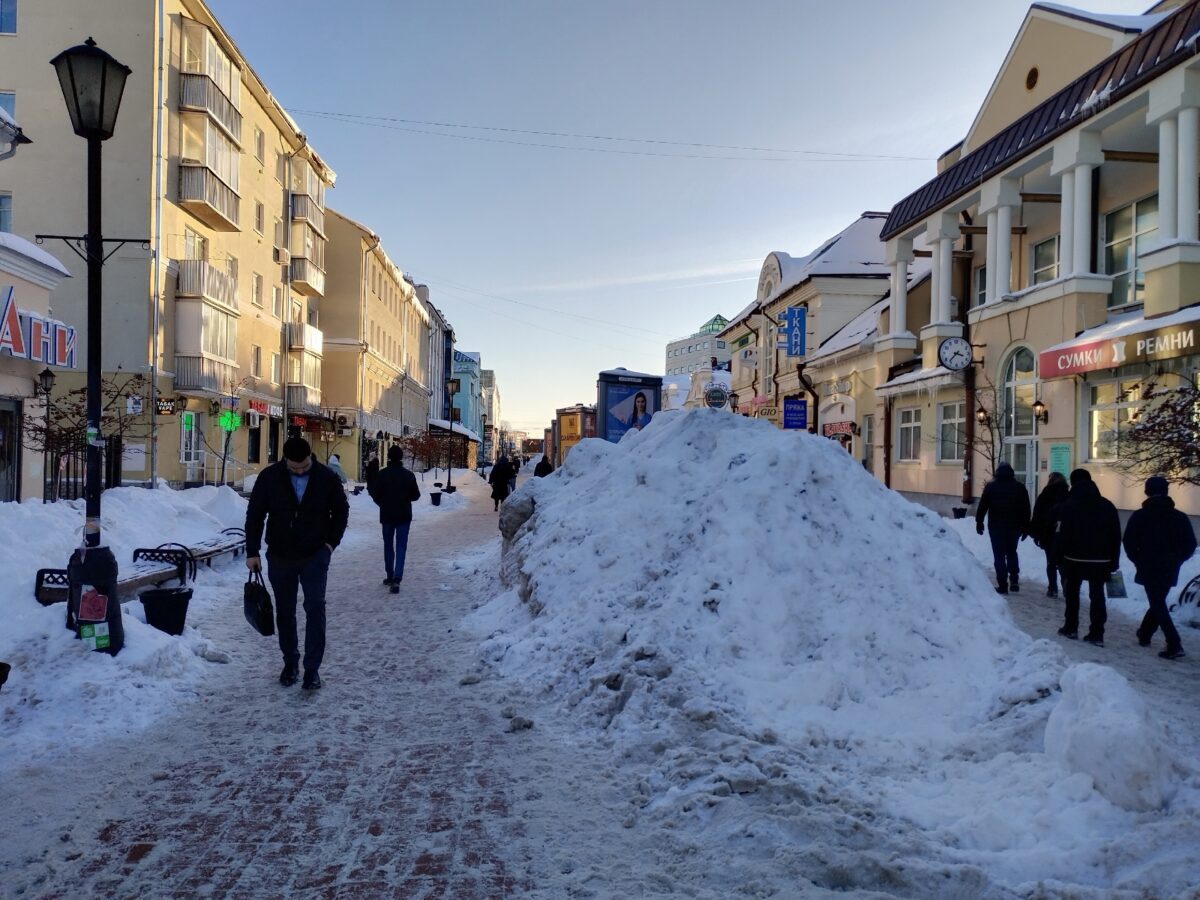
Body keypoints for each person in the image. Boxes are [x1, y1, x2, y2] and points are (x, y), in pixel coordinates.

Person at [245, 436, 349, 691]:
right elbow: (255, 515)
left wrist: (330, 545)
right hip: (280, 555)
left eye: (304, 466)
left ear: (310, 457)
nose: (300, 471)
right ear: (285, 460)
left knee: (315, 608)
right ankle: (290, 662)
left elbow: (341, 511)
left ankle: (312, 670)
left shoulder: (326, 477)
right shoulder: (270, 477)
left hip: (315, 555)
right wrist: (252, 551)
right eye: (294, 468)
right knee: (285, 611)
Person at [1123, 476, 1196, 660]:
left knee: (1157, 602)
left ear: (1147, 491)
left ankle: (1174, 643)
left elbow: (1129, 541)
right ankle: (1145, 633)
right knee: (1158, 601)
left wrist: (1138, 559)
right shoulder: (1179, 517)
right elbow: (1190, 544)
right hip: (1170, 567)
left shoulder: (1140, 516)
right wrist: (1178, 559)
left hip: (1148, 565)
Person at [1053, 468, 1122, 646]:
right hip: (1101, 560)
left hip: (1073, 559)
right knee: (1097, 595)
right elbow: (1115, 535)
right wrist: (1114, 560)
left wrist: (1056, 557)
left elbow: (1061, 534)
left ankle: (1071, 627)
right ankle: (1097, 633)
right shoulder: (1107, 506)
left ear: (1074, 483)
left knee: (1072, 592)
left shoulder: (1068, 506)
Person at [369, 445, 421, 595]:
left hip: (386, 515)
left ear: (389, 457)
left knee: (388, 545)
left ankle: (389, 575)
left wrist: (383, 503)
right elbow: (416, 496)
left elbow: (375, 494)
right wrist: (405, 499)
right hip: (404, 515)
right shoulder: (408, 475)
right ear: (401, 458)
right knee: (401, 546)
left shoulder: (381, 475)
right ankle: (397, 577)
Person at [975, 461, 1031, 594]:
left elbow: (983, 506)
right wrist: (1026, 526)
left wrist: (979, 522)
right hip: (1014, 527)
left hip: (996, 527)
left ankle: (1003, 585)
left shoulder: (991, 487)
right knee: (1012, 552)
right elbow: (1026, 509)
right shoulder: (1020, 487)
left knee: (999, 556)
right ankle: (1015, 581)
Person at [1029, 471, 1070, 598]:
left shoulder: (1045, 495)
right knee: (1063, 562)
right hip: (1064, 534)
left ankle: (1052, 588)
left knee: (1051, 562)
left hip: (1048, 534)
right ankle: (1066, 586)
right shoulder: (1068, 495)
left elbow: (1037, 515)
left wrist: (1035, 533)